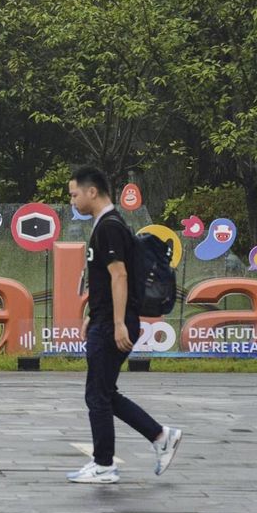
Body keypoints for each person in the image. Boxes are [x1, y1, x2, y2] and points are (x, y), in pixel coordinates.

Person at [65, 166, 182, 484]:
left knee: (97, 395)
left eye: (75, 194)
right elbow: (106, 279)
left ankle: (104, 465)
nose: (73, 201)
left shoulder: (110, 227)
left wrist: (117, 323)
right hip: (105, 319)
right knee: (103, 392)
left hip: (114, 323)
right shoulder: (107, 225)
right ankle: (160, 437)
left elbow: (120, 276)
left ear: (93, 191)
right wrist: (94, 311)